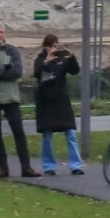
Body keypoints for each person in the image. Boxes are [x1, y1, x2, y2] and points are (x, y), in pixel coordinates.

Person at [0, 21, 39, 178]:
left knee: (19, 132)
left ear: (5, 33)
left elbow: (16, 72)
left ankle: (26, 167)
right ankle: (3, 168)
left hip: (11, 98)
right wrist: (4, 68)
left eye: (1, 32)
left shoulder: (12, 51)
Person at [32, 34, 82, 176]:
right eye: (50, 46)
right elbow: (36, 73)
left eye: (55, 46)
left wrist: (71, 57)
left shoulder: (62, 59)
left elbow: (74, 70)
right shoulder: (40, 59)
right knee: (47, 136)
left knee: (71, 133)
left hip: (62, 102)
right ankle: (48, 166)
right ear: (45, 47)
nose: (53, 49)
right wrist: (46, 62)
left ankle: (76, 165)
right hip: (46, 103)